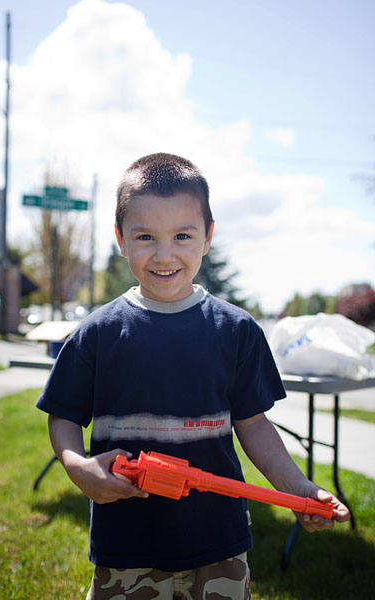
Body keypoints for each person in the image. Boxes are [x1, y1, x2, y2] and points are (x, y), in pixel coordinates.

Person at [36, 153, 350, 600]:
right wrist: (78, 467)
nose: (164, 254)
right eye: (145, 236)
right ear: (121, 240)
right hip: (126, 545)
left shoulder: (237, 330)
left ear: (208, 237)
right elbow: (63, 414)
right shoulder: (98, 332)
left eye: (182, 235)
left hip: (217, 544)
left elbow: (254, 424)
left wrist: (298, 488)